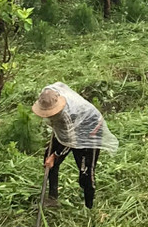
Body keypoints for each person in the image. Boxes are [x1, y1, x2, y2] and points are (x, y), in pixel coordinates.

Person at [33, 83, 119, 212]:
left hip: (90, 129)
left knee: (85, 171)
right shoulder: (48, 94)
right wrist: (52, 156)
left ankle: (89, 208)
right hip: (70, 129)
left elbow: (70, 140)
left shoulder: (67, 115)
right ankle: (52, 198)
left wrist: (55, 155)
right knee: (48, 159)